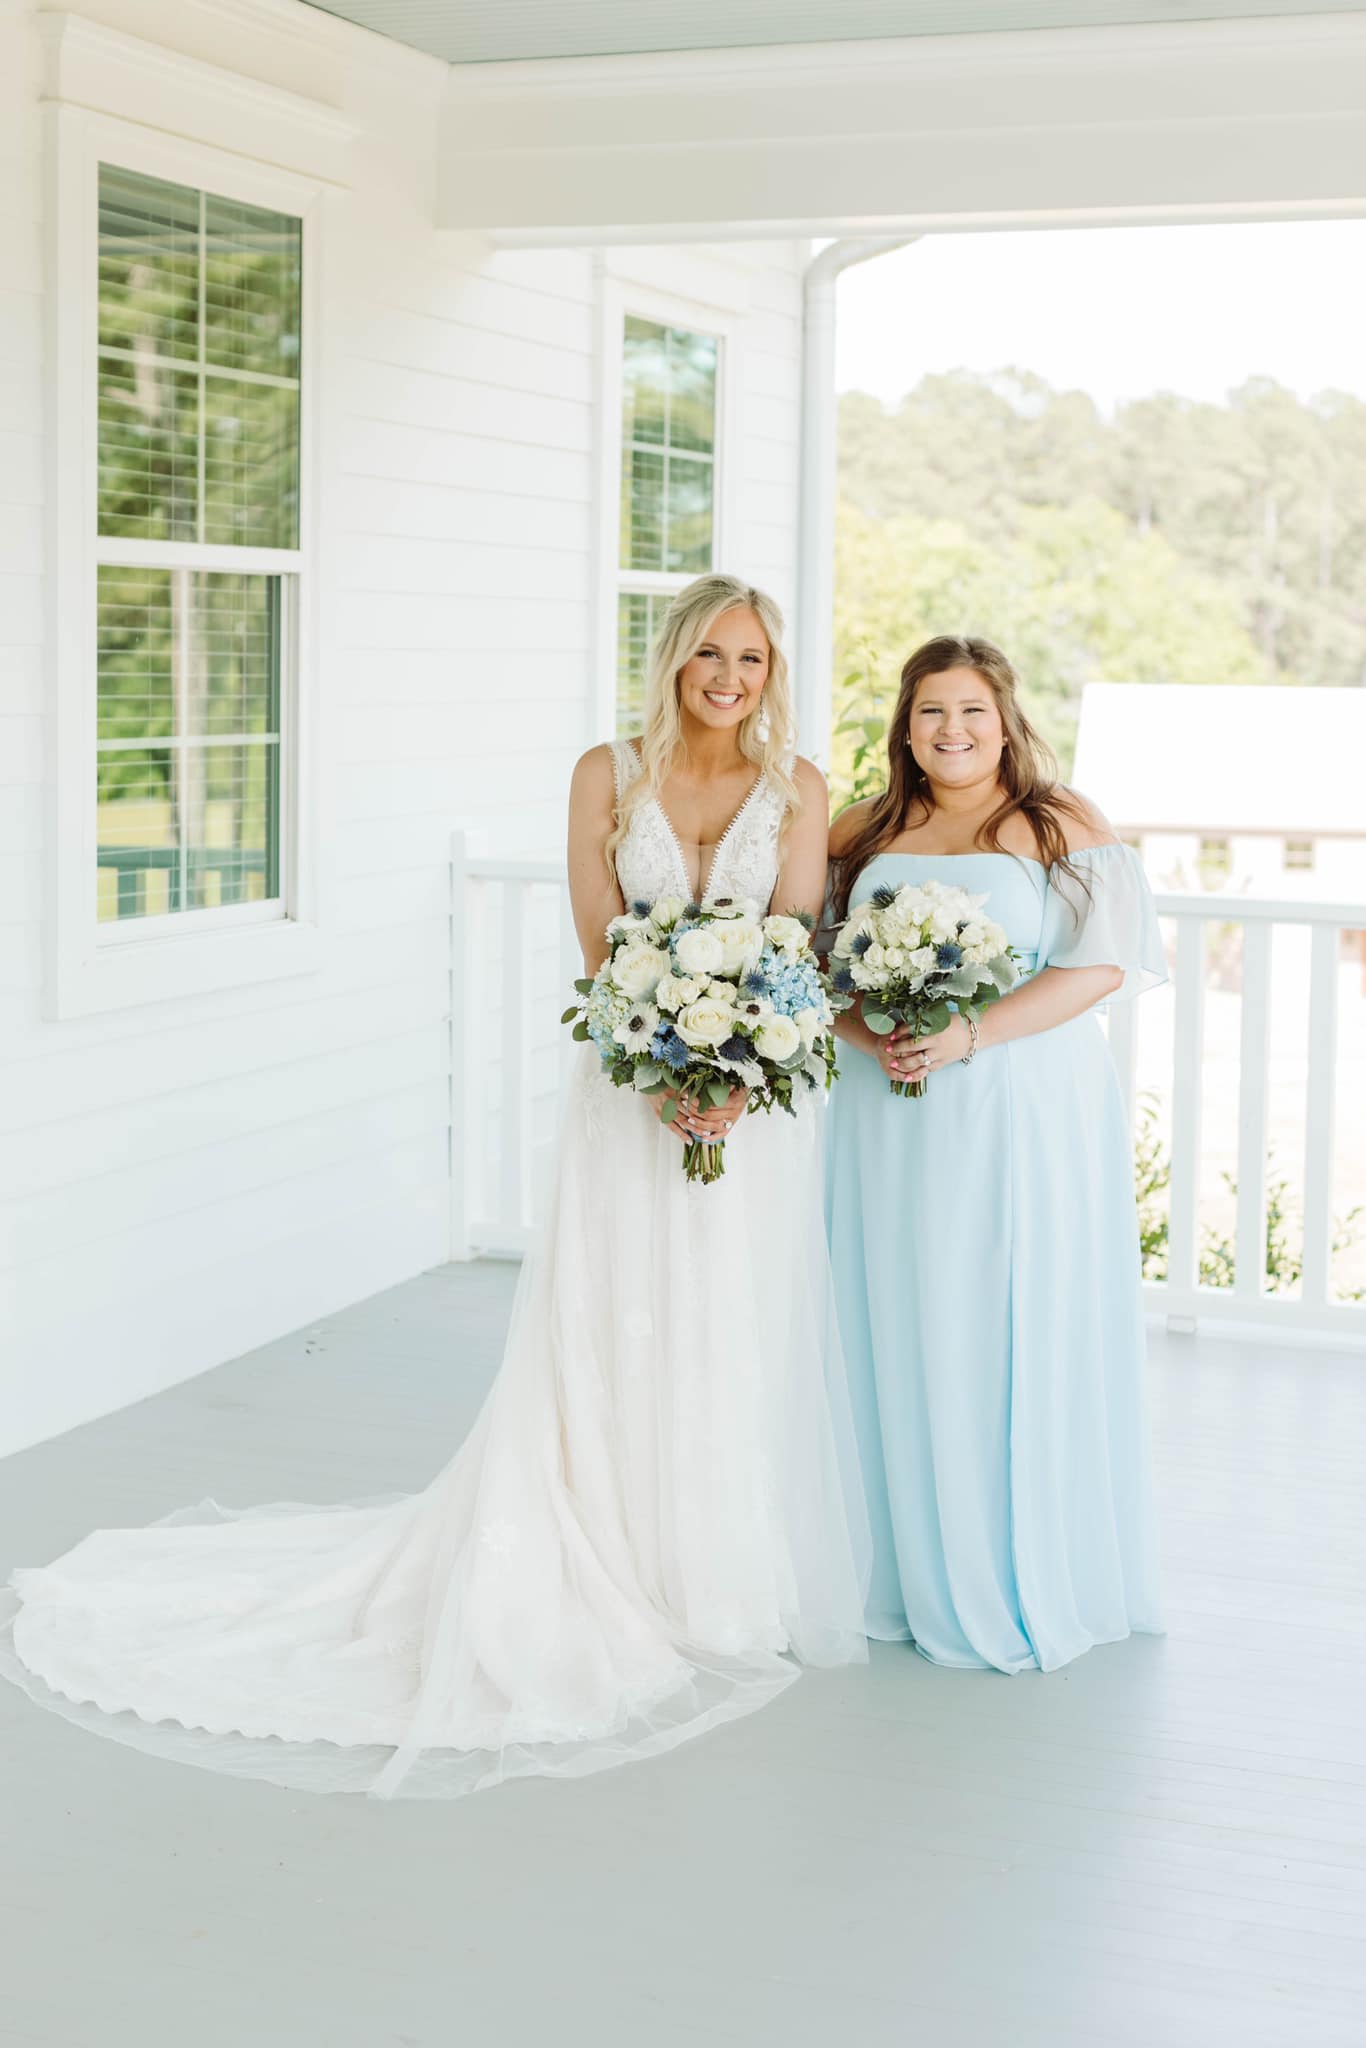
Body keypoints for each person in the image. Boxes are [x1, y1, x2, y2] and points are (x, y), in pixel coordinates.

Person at [0, 574, 869, 1798]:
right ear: (675, 659)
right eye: (709, 654)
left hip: (748, 1106)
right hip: (629, 1083)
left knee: (725, 1318)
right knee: (611, 1317)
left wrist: (731, 1073)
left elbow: (791, 949)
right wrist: (663, 1063)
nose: (729, 678)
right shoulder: (606, 773)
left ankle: (706, 1572)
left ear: (771, 673)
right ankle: (604, 1547)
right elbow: (597, 944)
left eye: (752, 659)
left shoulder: (799, 788)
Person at [825, 634, 1164, 1673]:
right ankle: (899, 1566)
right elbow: (815, 968)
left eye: (972, 709)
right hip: (887, 1110)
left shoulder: (1059, 823)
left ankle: (1013, 1565)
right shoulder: (863, 830)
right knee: (894, 1309)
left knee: (1002, 1308)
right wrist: (871, 1037)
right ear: (905, 727)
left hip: (1020, 1104)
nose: (953, 730)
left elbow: (1099, 967)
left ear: (1006, 720)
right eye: (931, 711)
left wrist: (968, 1034)